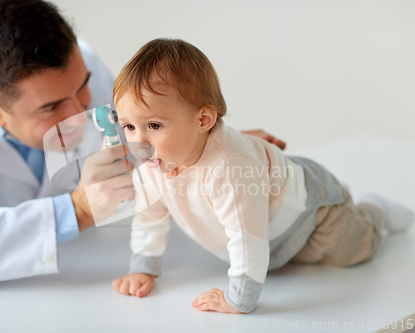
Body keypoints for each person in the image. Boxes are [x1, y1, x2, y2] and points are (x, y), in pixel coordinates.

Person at [0, 0, 284, 291]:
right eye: (51, 107)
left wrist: (207, 144)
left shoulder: (82, 64)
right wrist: (78, 210)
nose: (82, 111)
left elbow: (142, 145)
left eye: (82, 88)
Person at [110, 38, 415, 314]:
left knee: (354, 249)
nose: (139, 142)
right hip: (273, 232)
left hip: (309, 214)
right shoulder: (153, 161)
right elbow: (149, 215)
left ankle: (374, 211)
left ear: (203, 119)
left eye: (153, 126)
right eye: (128, 127)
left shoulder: (229, 168)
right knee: (289, 264)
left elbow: (247, 237)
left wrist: (238, 299)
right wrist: (144, 268)